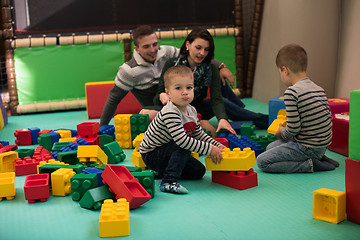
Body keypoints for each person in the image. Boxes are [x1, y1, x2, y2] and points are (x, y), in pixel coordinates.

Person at [99, 25, 234, 126]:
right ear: (137, 48)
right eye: (146, 47)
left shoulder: (167, 52)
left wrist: (221, 66)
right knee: (146, 114)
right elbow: (113, 99)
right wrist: (102, 127)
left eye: (155, 44)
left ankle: (240, 109)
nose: (153, 50)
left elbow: (195, 55)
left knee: (219, 81)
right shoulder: (129, 71)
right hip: (159, 108)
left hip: (184, 102)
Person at [153, 27, 263, 137]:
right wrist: (162, 95)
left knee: (223, 105)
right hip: (175, 110)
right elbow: (158, 95)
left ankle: (265, 120)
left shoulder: (211, 68)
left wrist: (223, 119)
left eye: (206, 49)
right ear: (188, 45)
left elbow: (216, 99)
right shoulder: (172, 64)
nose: (202, 53)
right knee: (147, 113)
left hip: (197, 110)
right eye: (198, 48)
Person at [139, 65, 225, 194]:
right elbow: (182, 141)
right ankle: (168, 181)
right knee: (184, 144)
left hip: (169, 150)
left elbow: (198, 133)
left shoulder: (191, 110)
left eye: (189, 87)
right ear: (168, 93)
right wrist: (209, 149)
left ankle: (162, 172)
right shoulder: (170, 112)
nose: (185, 92)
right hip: (152, 154)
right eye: (178, 88)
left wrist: (216, 144)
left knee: (198, 171)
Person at [256, 44, 339, 173]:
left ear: (285, 70)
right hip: (322, 145)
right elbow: (326, 119)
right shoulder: (319, 89)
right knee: (270, 147)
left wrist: (281, 132)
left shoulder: (291, 92)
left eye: (280, 73)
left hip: (306, 147)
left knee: (262, 162)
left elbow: (293, 129)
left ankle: (310, 165)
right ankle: (320, 157)